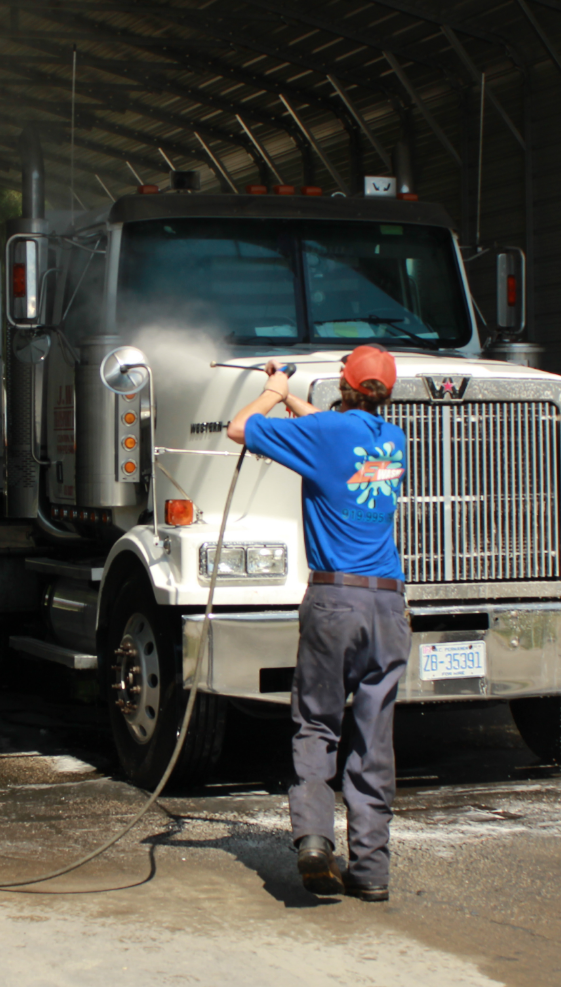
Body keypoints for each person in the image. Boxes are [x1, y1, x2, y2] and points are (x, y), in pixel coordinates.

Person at [227, 345, 410, 903]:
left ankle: (313, 838)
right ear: (386, 392)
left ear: (342, 384)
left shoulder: (328, 435)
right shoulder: (392, 442)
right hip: (388, 607)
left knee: (317, 723)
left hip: (335, 602)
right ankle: (371, 871)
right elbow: (332, 433)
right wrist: (299, 406)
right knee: (373, 740)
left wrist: (275, 392)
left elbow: (240, 428)